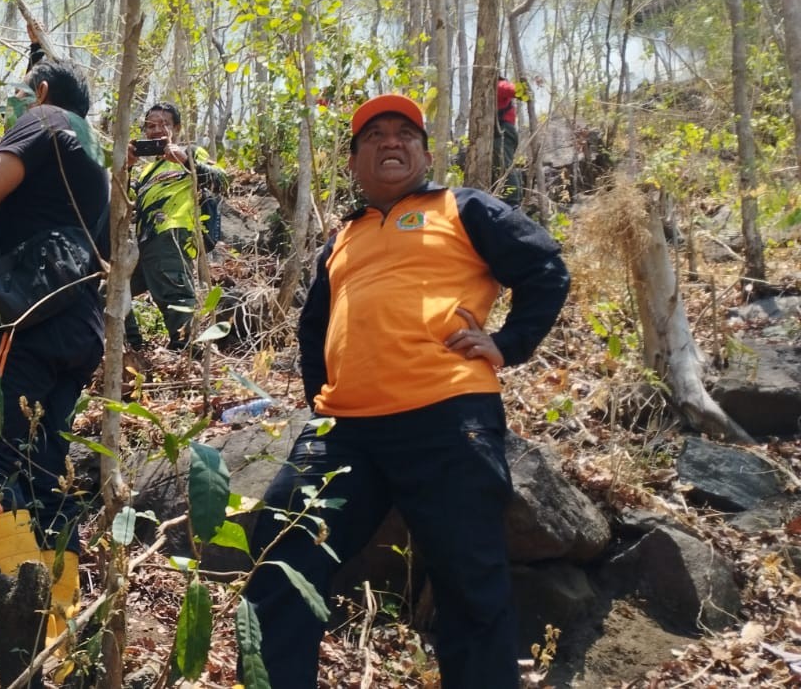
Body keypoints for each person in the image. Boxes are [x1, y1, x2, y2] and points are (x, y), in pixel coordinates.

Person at [241, 94, 569, 689]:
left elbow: (546, 268)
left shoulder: (462, 207)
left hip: (446, 417)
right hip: (343, 433)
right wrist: (323, 400)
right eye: (374, 136)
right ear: (353, 161)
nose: (391, 142)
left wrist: (509, 343)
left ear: (422, 152)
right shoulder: (341, 239)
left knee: (471, 587)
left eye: (404, 134)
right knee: (280, 562)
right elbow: (314, 329)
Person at [0, 46, 109, 642]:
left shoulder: (46, 120)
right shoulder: (95, 158)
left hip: (26, 320)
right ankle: (54, 631)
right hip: (77, 322)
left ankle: (15, 628)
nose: (10, 102)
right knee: (44, 469)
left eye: (18, 90)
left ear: (39, 93)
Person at [124, 101, 225, 350]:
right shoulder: (146, 172)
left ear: (177, 128)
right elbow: (124, 204)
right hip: (143, 244)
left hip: (173, 238)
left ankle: (186, 355)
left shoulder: (191, 152)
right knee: (112, 292)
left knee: (175, 300)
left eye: (164, 124)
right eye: (150, 126)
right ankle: (135, 347)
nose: (156, 130)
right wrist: (125, 167)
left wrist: (185, 160)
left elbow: (223, 181)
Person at [494, 75, 523, 204]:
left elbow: (516, 90)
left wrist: (523, 88)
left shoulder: (499, 85)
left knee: (505, 164)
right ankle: (511, 197)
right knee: (503, 164)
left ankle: (512, 201)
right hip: (501, 131)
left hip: (504, 131)